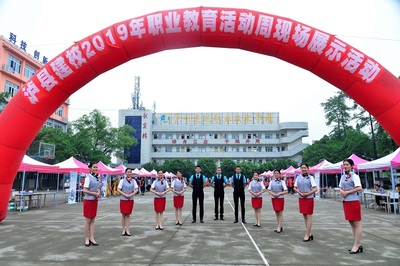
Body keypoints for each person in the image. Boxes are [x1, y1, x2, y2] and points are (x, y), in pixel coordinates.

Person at [339, 159, 364, 254]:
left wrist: (347, 192)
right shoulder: (343, 177)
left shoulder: (355, 176)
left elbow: (359, 187)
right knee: (351, 223)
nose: (345, 166)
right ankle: (357, 243)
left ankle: (357, 245)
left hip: (353, 201)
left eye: (347, 164)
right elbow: (340, 187)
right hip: (346, 201)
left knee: (356, 223)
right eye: (344, 165)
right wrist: (342, 191)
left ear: (352, 166)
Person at [293, 163, 318, 242]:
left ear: (308, 168)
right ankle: (309, 233)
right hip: (301, 197)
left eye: (305, 168)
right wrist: (299, 192)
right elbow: (295, 187)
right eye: (302, 168)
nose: (303, 169)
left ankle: (307, 234)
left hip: (309, 198)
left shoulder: (311, 178)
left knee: (309, 216)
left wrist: (307, 193)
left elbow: (315, 189)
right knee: (304, 215)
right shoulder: (298, 177)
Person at [82, 163, 101, 247]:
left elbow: (97, 188)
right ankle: (86, 238)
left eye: (96, 167)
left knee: (93, 220)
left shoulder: (96, 177)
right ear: (90, 168)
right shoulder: (88, 177)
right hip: (88, 201)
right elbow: (84, 190)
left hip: (94, 201)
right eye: (94, 167)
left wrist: (98, 192)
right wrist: (94, 193)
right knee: (88, 220)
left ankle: (92, 238)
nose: (95, 168)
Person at [117, 168, 138, 236]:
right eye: (128, 172)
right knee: (123, 214)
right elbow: (118, 189)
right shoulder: (122, 181)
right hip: (123, 199)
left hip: (130, 199)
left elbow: (136, 189)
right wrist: (125, 194)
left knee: (128, 215)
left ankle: (127, 229)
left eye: (130, 172)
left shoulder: (133, 181)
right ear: (125, 173)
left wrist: (132, 194)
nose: (129, 173)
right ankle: (123, 229)